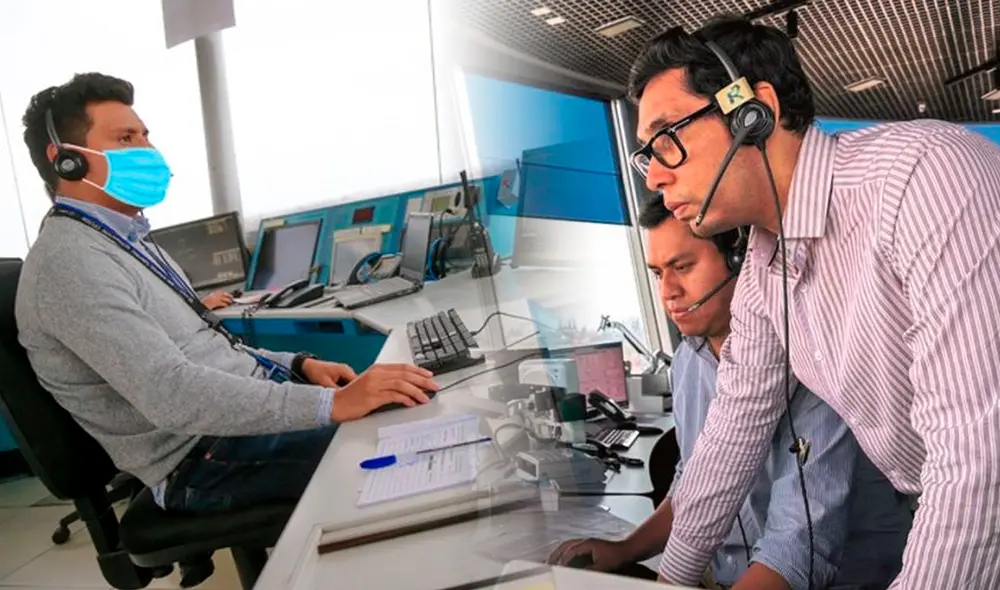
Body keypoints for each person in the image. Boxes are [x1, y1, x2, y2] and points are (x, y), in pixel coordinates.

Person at [627, 16, 1000, 589]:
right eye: (644, 153)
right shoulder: (763, 266)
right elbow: (730, 436)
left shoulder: (919, 178)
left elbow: (977, 461)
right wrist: (670, 583)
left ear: (753, 112)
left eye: (665, 139)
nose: (654, 174)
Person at [15, 72, 438, 515]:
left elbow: (209, 346)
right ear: (65, 159)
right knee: (413, 451)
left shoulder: (129, 241)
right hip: (200, 458)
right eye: (125, 138)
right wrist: (332, 404)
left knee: (414, 410)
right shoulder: (70, 262)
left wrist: (298, 364)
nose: (147, 151)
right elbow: (170, 393)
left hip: (229, 425)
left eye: (145, 136)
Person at [548, 197, 912, 590]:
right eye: (657, 274)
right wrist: (625, 548)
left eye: (683, 267)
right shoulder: (689, 360)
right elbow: (694, 480)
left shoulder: (812, 361)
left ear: (740, 260)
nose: (668, 291)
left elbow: (797, 546)